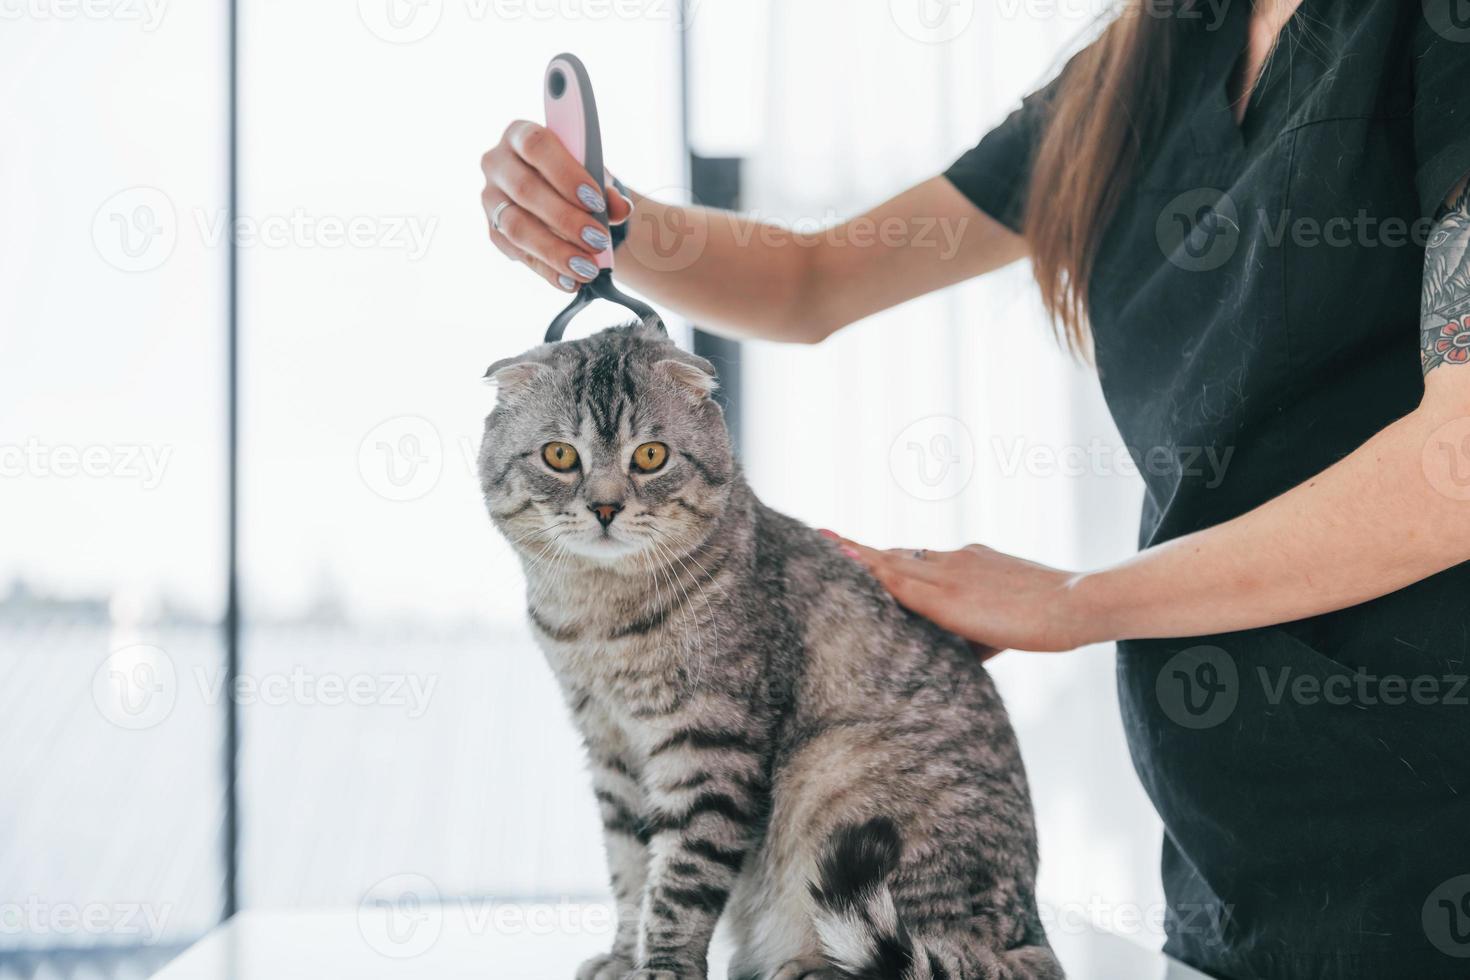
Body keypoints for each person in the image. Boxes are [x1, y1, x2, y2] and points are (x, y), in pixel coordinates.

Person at [479, 2, 1470, 977]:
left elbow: (1456, 472)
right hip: (1232, 865)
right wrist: (609, 218)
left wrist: (1078, 600)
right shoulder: (1150, 58)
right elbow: (814, 277)